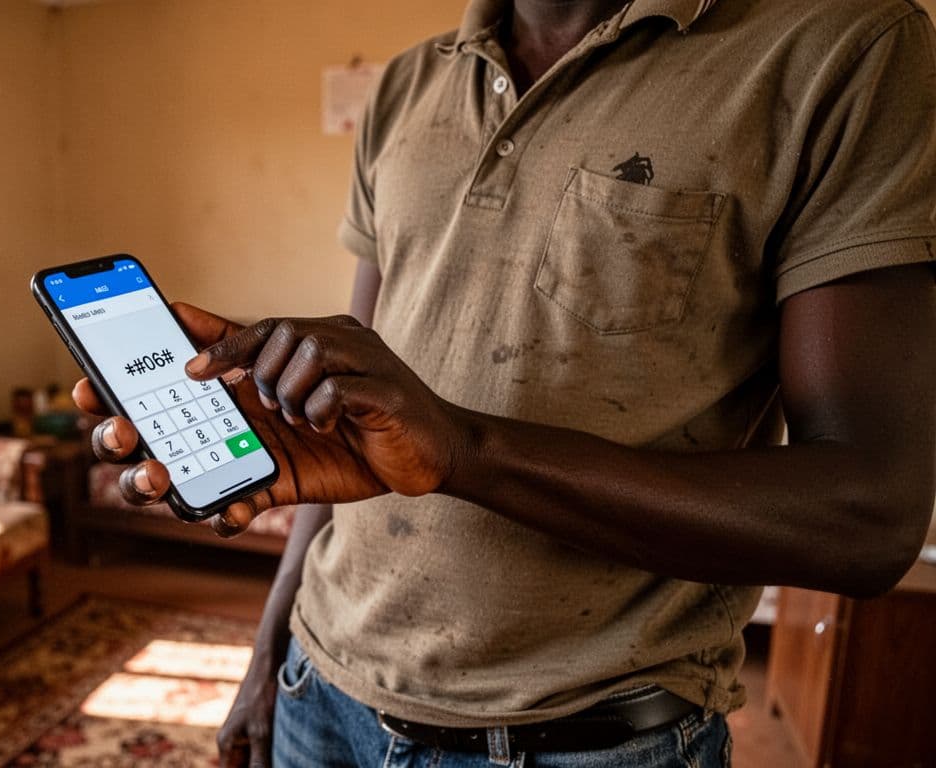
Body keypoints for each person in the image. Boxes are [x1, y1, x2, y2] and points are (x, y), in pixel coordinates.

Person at [73, 0, 936, 764]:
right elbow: (338, 416)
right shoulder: (407, 85)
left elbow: (868, 520)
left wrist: (465, 450)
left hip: (593, 741)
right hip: (322, 695)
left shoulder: (840, 51)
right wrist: (269, 654)